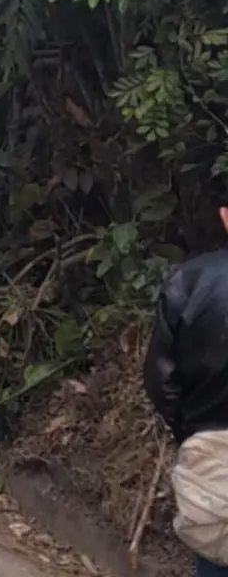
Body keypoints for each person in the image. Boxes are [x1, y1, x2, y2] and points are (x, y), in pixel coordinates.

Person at [145, 207, 228, 577]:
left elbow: (162, 381)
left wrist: (190, 431)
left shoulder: (187, 281)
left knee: (215, 550)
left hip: (210, 453)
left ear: (225, 218)